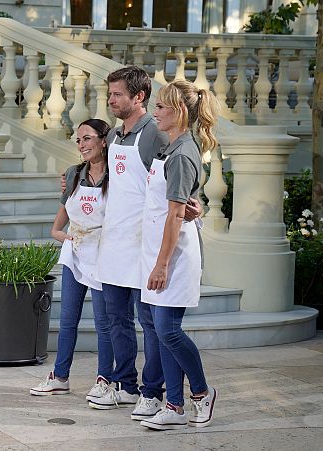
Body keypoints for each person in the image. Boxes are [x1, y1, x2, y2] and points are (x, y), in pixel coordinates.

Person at [75, 67, 201, 422]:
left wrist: (194, 204)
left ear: (138, 97)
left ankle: (153, 391)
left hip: (144, 244)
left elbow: (175, 185)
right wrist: (73, 178)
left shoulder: (155, 136)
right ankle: (125, 383)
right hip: (115, 239)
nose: (111, 100)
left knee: (152, 324)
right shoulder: (114, 134)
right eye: (110, 94)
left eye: (116, 95)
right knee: (116, 318)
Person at [138, 80, 218, 430]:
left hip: (174, 254)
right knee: (159, 327)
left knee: (168, 330)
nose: (154, 111)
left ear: (179, 112)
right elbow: (176, 205)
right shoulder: (170, 148)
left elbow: (174, 215)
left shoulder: (183, 154)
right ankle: (174, 405)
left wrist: (161, 264)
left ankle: (200, 393)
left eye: (161, 106)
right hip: (157, 248)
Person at [30, 119, 115, 401]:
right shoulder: (73, 173)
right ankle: (60, 377)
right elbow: (59, 223)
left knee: (104, 322)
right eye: (78, 140)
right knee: (68, 320)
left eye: (87, 138)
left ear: (104, 140)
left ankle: (105, 379)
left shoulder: (117, 175)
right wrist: (61, 235)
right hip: (76, 254)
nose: (82, 145)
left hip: (104, 255)